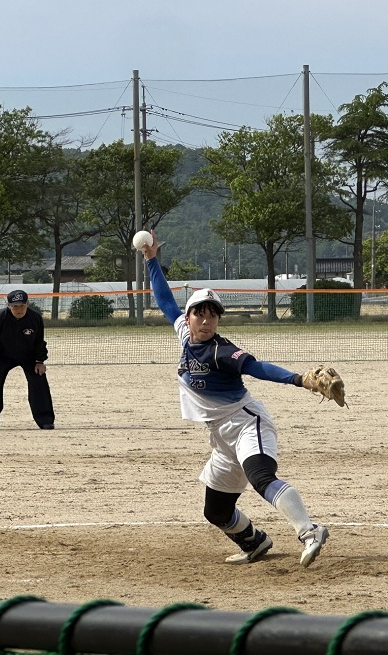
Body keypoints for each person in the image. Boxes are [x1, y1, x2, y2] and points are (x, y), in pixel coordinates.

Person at [141, 230, 330, 568]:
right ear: (189, 318)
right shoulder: (185, 335)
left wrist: (300, 379)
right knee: (216, 510)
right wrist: (152, 260)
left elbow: (257, 367)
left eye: (213, 314)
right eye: (200, 312)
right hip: (221, 437)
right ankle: (254, 542)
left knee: (262, 479)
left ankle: (309, 530)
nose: (206, 319)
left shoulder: (221, 350)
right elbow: (165, 302)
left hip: (246, 424)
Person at [0, 290, 55, 431]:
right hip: (3, 356)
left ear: (28, 304)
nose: (18, 309)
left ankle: (45, 419)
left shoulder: (35, 318)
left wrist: (40, 361)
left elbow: (40, 342)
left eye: (22, 306)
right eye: (15, 306)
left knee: (39, 378)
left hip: (29, 356)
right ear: (8, 305)